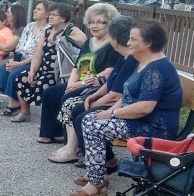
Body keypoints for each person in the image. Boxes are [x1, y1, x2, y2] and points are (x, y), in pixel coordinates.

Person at [71, 20, 183, 196]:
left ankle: (97, 184)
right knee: (90, 119)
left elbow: (144, 107)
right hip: (140, 121)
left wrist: (111, 114)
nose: (128, 43)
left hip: (155, 126)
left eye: (133, 39)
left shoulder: (156, 69)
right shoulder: (144, 62)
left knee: (92, 126)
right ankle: (98, 176)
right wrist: (108, 111)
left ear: (148, 43)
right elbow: (128, 96)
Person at [55, 16, 136, 166]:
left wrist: (95, 103)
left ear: (115, 40)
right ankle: (90, 155)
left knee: (82, 115)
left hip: (122, 105)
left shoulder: (131, 59)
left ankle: (104, 160)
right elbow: (110, 83)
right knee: (74, 104)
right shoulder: (124, 57)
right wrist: (95, 95)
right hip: (109, 96)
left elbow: (117, 95)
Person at [41, 3, 121, 153]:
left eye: (100, 22)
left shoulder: (112, 44)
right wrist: (71, 83)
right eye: (91, 22)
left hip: (96, 84)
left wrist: (79, 84)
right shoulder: (88, 42)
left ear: (109, 24)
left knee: (68, 97)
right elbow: (76, 67)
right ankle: (52, 133)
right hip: (80, 82)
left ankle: (72, 144)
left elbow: (109, 71)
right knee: (51, 93)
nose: (94, 26)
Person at [11, 3, 86, 122]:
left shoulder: (71, 29)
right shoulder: (47, 31)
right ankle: (24, 112)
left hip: (59, 71)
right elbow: (38, 54)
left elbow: (83, 40)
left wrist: (61, 38)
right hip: (43, 68)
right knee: (21, 77)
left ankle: (48, 120)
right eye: (50, 14)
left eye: (54, 15)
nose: (50, 17)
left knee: (43, 84)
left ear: (63, 18)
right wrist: (32, 70)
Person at [0, 2, 48, 115]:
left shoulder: (48, 29)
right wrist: (13, 59)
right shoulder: (30, 26)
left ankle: (14, 104)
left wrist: (19, 64)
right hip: (20, 57)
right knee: (2, 71)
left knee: (14, 74)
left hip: (33, 62)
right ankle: (14, 101)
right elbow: (20, 45)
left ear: (47, 14)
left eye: (38, 9)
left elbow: (39, 54)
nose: (34, 11)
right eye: (35, 8)